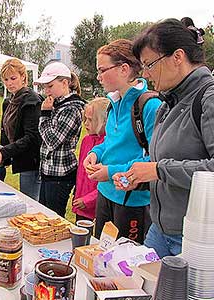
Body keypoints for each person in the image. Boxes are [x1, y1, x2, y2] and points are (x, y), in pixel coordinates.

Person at [113, 18, 214, 257]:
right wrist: (140, 177)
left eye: (149, 64)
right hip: (160, 230)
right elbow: (165, 164)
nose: (145, 74)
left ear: (177, 57)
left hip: (195, 240)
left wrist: (158, 170)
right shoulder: (168, 103)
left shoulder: (208, 99)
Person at [83, 39, 161, 244]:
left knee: (125, 265)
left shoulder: (150, 106)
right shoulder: (113, 104)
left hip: (132, 200)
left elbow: (156, 160)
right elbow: (110, 142)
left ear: (124, 69)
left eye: (102, 70)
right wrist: (95, 153)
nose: (98, 77)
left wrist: (109, 172)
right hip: (105, 194)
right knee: (100, 254)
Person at [35, 62, 85, 217]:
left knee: (54, 218)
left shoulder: (71, 108)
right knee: (44, 216)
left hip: (60, 176)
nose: (46, 91)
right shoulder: (57, 105)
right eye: (45, 87)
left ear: (65, 83)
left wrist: (44, 114)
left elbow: (52, 141)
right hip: (49, 172)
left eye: (50, 86)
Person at [0, 58, 42, 200]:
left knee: (30, 203)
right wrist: (2, 157)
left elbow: (32, 137)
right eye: (5, 79)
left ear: (23, 76)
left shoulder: (32, 100)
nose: (9, 83)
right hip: (19, 158)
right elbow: (5, 134)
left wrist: (5, 152)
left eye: (13, 78)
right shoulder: (8, 102)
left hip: (32, 161)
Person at [72, 97, 109, 222]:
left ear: (103, 121)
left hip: (98, 205)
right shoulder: (86, 141)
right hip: (81, 203)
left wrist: (89, 200)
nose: (85, 124)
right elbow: (81, 173)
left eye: (90, 120)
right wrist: (77, 194)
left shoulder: (109, 144)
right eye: (85, 119)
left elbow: (107, 180)